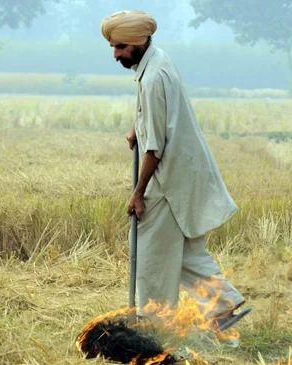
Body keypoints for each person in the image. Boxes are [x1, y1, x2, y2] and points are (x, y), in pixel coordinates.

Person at [100, 10, 251, 332]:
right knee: (185, 251)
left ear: (140, 42)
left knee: (150, 254)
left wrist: (138, 193)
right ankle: (223, 307)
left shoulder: (154, 77)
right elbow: (156, 118)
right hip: (186, 174)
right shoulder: (157, 61)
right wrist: (136, 129)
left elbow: (156, 146)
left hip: (170, 182)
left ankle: (155, 327)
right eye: (113, 47)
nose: (116, 55)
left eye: (121, 47)